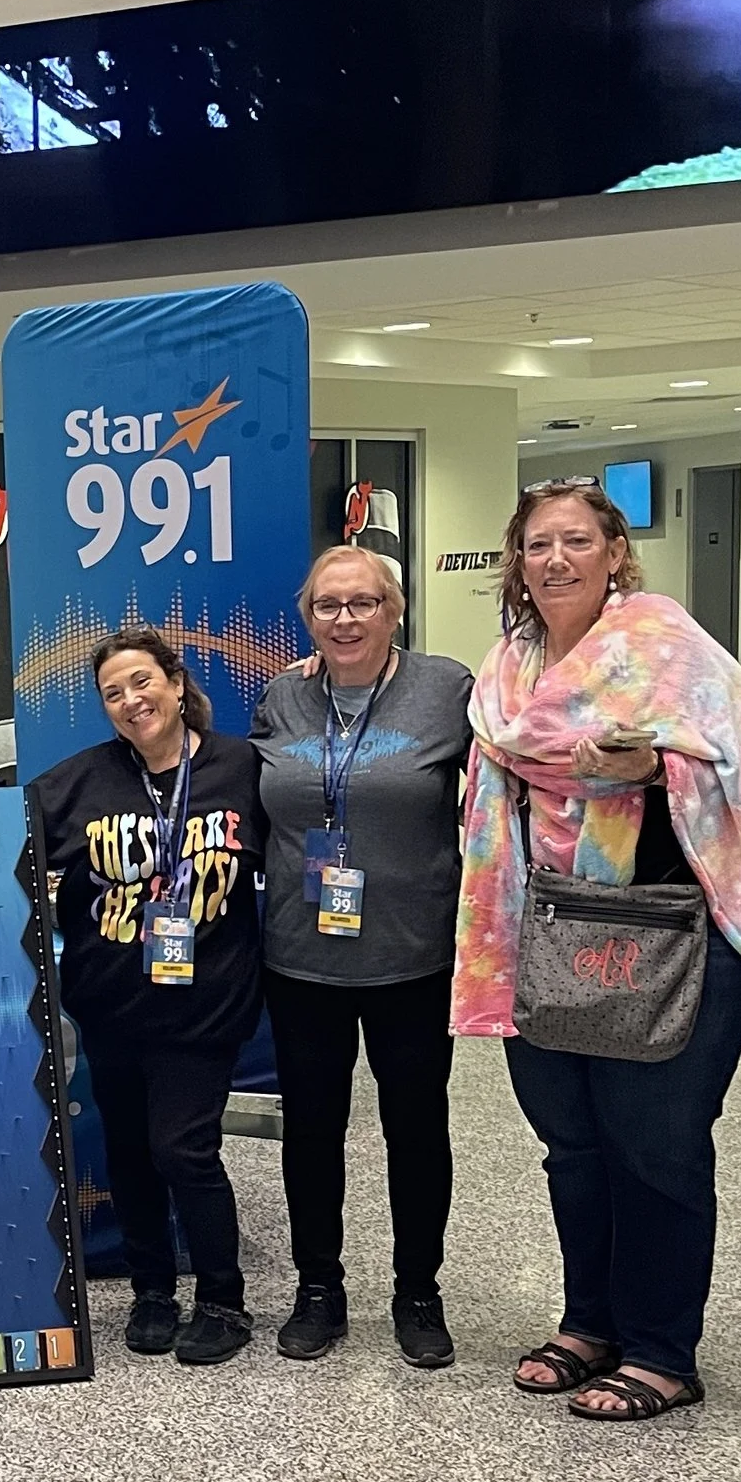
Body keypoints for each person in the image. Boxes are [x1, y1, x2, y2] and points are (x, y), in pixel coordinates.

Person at [453, 479, 741, 1422]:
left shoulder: (666, 646)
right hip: (550, 937)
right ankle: (591, 1322)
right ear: (517, 561)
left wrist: (657, 764)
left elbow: (737, 758)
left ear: (615, 551)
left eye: (577, 540)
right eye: (538, 544)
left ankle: (663, 1348)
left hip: (678, 938)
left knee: (654, 1143)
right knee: (571, 1143)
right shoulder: (505, 670)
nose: (556, 560)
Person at [0, 626, 264, 1364]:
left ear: (175, 681)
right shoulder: (84, 779)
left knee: (184, 1147)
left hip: (206, 1006)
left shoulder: (242, 768)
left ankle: (224, 1300)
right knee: (131, 1151)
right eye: (113, 692)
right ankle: (153, 1291)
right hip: (112, 1004)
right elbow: (2, 823)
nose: (131, 701)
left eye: (142, 682)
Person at [251, 549, 473, 1369]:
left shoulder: (448, 690)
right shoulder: (283, 696)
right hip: (300, 959)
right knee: (311, 1129)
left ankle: (418, 1290)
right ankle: (319, 1289)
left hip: (411, 957)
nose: (346, 618)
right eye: (328, 605)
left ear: (396, 610)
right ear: (308, 616)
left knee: (417, 1129)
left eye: (364, 603)